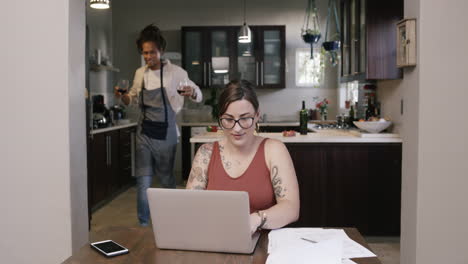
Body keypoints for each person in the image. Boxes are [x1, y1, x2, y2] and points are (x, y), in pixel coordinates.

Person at [115, 24, 203, 226]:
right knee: (143, 181)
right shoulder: (140, 73)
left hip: (167, 133)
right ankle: (143, 225)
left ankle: (171, 223)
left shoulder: (176, 72)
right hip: (144, 132)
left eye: (152, 52)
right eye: (145, 53)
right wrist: (122, 97)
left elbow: (197, 94)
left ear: (161, 51)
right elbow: (133, 99)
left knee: (165, 180)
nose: (148, 57)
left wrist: (192, 92)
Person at [186, 80, 299, 234]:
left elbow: (291, 208)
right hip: (215, 240)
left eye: (245, 118)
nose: (237, 128)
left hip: (262, 244)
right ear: (220, 118)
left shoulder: (274, 149)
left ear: (257, 115)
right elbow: (190, 207)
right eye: (229, 119)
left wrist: (257, 219)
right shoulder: (205, 153)